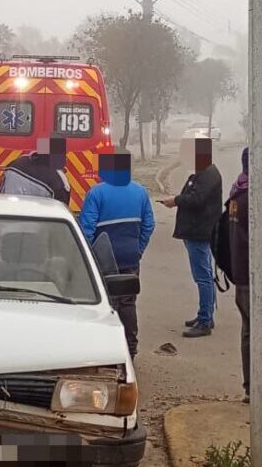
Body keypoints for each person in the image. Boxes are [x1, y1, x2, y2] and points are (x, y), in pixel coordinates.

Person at [79, 151, 155, 358]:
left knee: (106, 303)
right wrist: (138, 249)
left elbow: (86, 229)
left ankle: (107, 347)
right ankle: (130, 347)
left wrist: (87, 257)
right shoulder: (140, 192)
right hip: (130, 257)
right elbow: (149, 225)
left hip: (103, 260)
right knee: (128, 303)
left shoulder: (96, 193)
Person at [160, 137, 223, 336]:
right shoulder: (200, 173)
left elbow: (197, 199)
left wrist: (175, 200)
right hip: (195, 230)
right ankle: (205, 314)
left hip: (200, 231)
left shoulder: (208, 174)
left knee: (203, 276)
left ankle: (205, 321)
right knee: (202, 275)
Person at [227, 146, 250, 399]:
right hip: (250, 277)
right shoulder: (251, 198)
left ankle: (249, 386)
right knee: (254, 333)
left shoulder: (237, 192)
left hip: (240, 273)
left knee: (248, 332)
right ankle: (254, 386)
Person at [0, 137, 71, 205]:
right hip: (36, 216)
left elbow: (2, 191)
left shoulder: (16, 164)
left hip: (8, 212)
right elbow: (61, 209)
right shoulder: (58, 180)